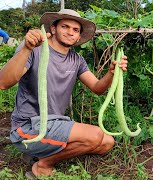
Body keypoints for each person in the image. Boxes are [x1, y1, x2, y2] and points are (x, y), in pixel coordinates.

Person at [0, 9, 128, 177]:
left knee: (107, 142)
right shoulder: (35, 50)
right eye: (65, 27)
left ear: (79, 36)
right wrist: (26, 48)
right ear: (53, 29)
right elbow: (3, 83)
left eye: (75, 30)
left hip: (56, 123)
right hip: (28, 127)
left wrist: (112, 73)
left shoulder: (77, 60)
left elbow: (97, 88)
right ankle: (42, 165)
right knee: (95, 135)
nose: (70, 32)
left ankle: (38, 154)